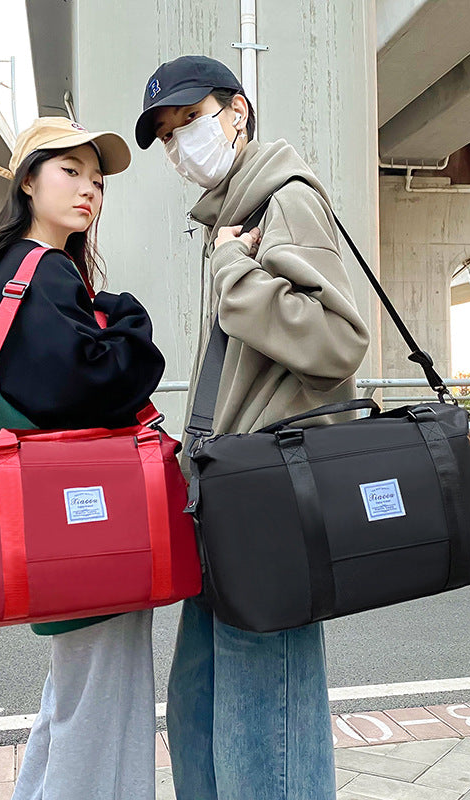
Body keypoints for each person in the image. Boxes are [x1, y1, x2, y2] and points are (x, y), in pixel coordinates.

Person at [135, 56, 370, 800]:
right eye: (169, 137)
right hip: (232, 489)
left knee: (263, 723)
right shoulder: (233, 213)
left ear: (237, 111)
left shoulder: (286, 199)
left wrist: (236, 274)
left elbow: (338, 342)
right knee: (205, 709)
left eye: (191, 121)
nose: (181, 146)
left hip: (270, 489)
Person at [0, 117, 166, 800]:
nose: (88, 191)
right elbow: (92, 386)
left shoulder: (14, 274)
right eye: (69, 172)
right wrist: (128, 319)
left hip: (57, 530)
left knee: (73, 701)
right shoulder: (41, 269)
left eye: (97, 181)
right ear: (27, 181)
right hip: (90, 530)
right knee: (102, 714)